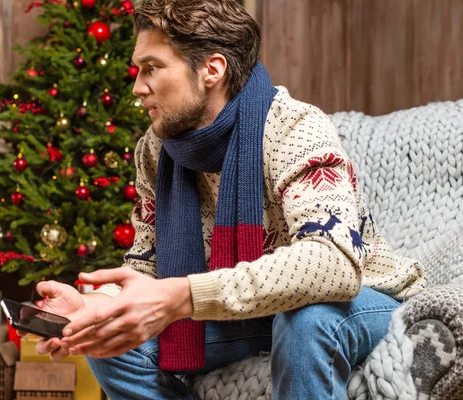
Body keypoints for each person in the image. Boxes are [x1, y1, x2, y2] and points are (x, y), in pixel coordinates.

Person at [24, 0, 426, 398]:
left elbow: (333, 264)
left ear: (211, 70)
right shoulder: (155, 151)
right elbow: (149, 266)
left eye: (151, 68)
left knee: (307, 319)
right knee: (112, 339)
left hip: (360, 302)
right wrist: (95, 308)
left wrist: (184, 295)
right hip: (247, 310)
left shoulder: (294, 129)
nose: (137, 87)